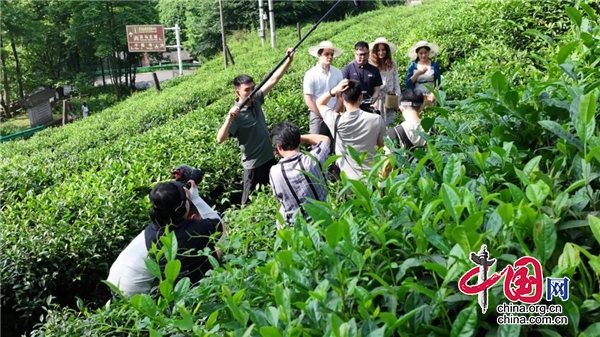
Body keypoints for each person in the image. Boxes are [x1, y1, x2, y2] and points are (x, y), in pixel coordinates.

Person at [106, 180, 225, 296]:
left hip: (114, 284)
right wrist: (195, 197)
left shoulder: (156, 228)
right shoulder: (187, 232)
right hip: (133, 293)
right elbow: (221, 225)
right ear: (180, 209)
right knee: (212, 254)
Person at [217, 48, 295, 205]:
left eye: (252, 88)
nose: (251, 93)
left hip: (270, 158)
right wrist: (229, 119)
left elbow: (273, 80)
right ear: (237, 92)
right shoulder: (236, 116)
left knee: (274, 195)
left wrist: (289, 61)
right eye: (247, 90)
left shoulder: (256, 100)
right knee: (248, 202)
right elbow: (220, 139)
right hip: (253, 166)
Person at [314, 79, 386, 181]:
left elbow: (319, 103)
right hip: (373, 177)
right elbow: (382, 147)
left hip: (349, 181)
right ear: (361, 97)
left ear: (341, 98)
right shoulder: (376, 119)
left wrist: (334, 90)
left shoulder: (335, 121)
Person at [269, 122, 330, 228]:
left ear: (279, 147)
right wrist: (297, 138)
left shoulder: (275, 172)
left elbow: (279, 198)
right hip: (324, 221)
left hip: (297, 229)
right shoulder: (314, 159)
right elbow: (325, 139)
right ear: (298, 141)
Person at [303, 41, 344, 154]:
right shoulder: (310, 74)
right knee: (317, 148)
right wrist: (323, 115)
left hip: (334, 113)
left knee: (335, 146)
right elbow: (309, 100)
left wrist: (333, 113)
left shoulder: (337, 73)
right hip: (317, 115)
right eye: (326, 54)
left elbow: (340, 96)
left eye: (331, 54)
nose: (330, 57)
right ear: (319, 55)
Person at [380, 89, 427, 179]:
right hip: (427, 183)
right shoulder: (432, 130)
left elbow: (387, 167)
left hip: (402, 185)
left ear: (401, 108)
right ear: (421, 109)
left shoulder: (394, 133)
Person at [342, 41, 383, 113]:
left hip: (368, 106)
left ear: (369, 53)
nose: (363, 57)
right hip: (352, 107)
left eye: (365, 54)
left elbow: (377, 90)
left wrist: (371, 102)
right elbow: (343, 90)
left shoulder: (374, 70)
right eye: (360, 55)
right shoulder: (347, 69)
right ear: (355, 54)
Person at [369, 37, 401, 126]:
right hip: (378, 99)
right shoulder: (372, 65)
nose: (381, 52)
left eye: (383, 50)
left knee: (391, 123)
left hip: (390, 97)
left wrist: (398, 96)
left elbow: (396, 80)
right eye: (378, 50)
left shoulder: (392, 63)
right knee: (378, 123)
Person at [405, 41, 441, 105]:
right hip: (416, 97)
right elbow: (408, 83)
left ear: (429, 53)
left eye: (425, 52)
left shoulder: (434, 65)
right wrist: (418, 73)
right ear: (417, 54)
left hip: (430, 97)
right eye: (421, 53)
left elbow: (439, 83)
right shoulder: (413, 66)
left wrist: (433, 94)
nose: (423, 55)